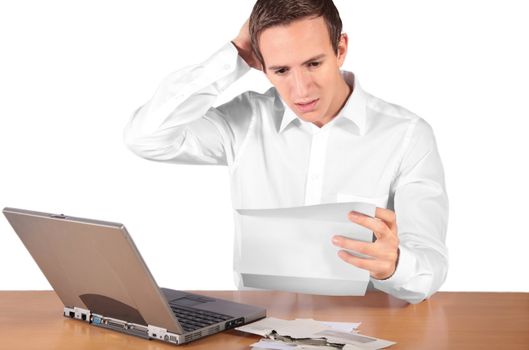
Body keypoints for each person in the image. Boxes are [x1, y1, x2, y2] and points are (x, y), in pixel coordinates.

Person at [123, 0, 449, 304]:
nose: (301, 89)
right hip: (258, 329)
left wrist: (394, 265)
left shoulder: (406, 135)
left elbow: (429, 267)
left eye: (313, 63)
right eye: (281, 70)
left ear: (341, 49)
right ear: (261, 66)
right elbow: (146, 137)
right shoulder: (245, 122)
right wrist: (233, 56)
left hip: (371, 331)